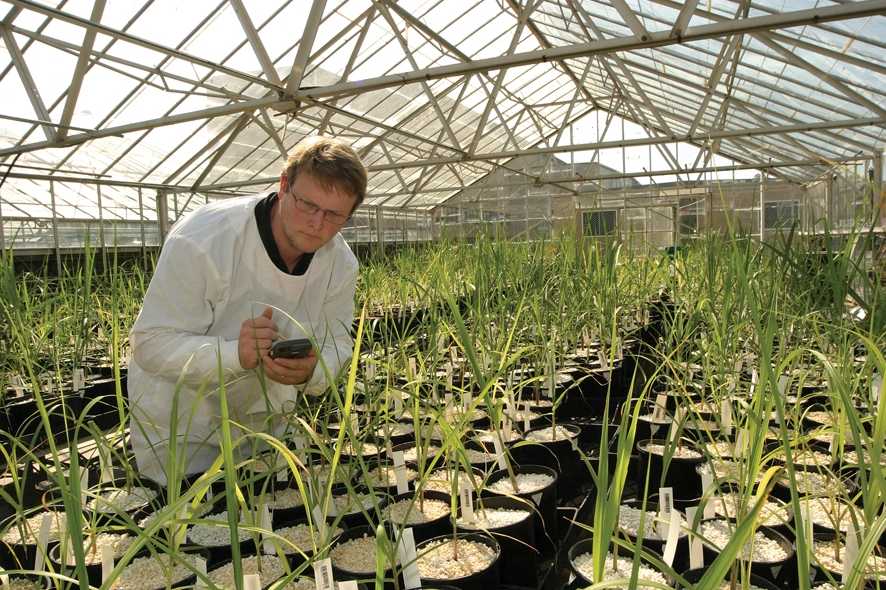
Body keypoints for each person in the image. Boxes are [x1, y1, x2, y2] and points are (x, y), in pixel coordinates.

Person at [127, 136, 367, 485]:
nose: (317, 224)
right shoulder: (204, 239)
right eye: (307, 205)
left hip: (266, 424)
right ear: (284, 186)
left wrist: (312, 370)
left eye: (334, 215)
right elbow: (151, 343)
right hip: (184, 424)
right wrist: (232, 354)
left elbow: (339, 343)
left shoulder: (339, 264)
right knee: (191, 524)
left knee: (263, 522)